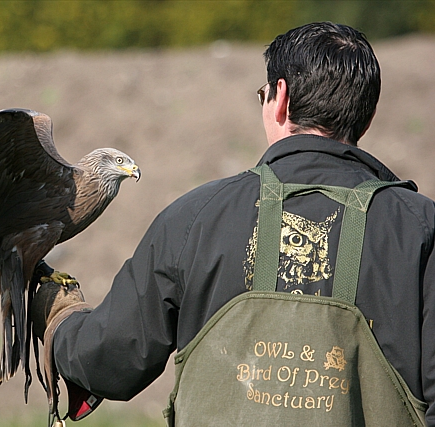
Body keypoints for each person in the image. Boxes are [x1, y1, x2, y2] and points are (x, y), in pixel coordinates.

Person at [33, 22, 434, 425]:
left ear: (280, 99)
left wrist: (61, 321)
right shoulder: (422, 229)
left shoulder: (196, 217)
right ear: (367, 117)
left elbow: (110, 361)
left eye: (263, 94)